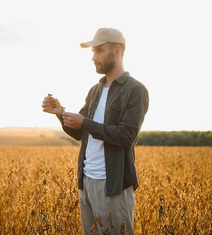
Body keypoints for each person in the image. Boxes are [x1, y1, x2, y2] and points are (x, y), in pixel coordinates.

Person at [42, 27, 149, 235]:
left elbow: (126, 136)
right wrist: (60, 113)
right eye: (93, 52)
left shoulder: (135, 90)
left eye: (99, 50)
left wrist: (85, 123)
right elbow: (80, 133)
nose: (93, 57)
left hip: (113, 186)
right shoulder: (95, 90)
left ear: (117, 51)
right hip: (87, 183)